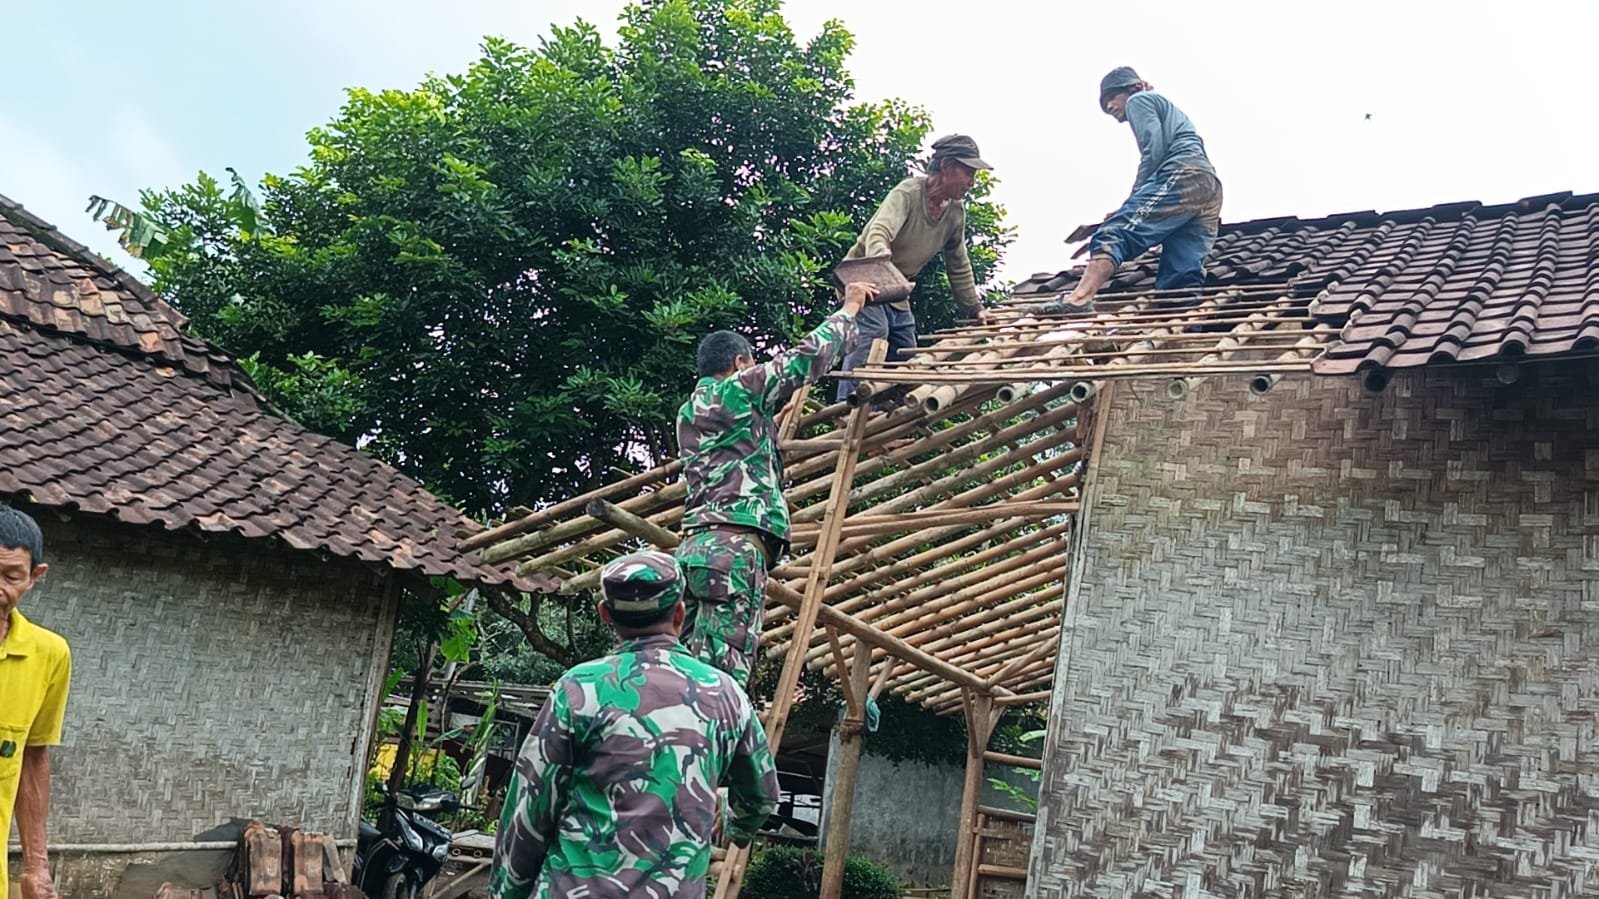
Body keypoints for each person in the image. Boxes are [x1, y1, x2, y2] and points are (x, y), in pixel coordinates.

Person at [490, 550, 779, 899]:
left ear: (605, 614)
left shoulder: (579, 689)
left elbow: (529, 809)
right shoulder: (725, 694)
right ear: (679, 613)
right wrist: (735, 822)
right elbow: (762, 798)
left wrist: (507, 893)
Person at [674, 282, 869, 687]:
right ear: (740, 362)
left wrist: (767, 428)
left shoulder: (689, 411)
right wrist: (850, 308)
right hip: (733, 550)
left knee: (680, 670)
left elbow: (734, 448)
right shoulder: (740, 388)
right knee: (719, 679)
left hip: (693, 548)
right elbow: (803, 359)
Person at [1047, 67, 1223, 314]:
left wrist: (1132, 203)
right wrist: (1133, 208)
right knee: (1182, 269)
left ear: (1134, 88)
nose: (1110, 107)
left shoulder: (1139, 100)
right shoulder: (1165, 107)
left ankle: (1078, 299)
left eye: (1112, 98)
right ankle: (1181, 325)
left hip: (1183, 172)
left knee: (1114, 233)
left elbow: (1153, 149)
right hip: (1208, 186)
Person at [835, 134, 994, 399]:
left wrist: (974, 308)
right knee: (875, 332)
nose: (971, 182)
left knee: (904, 349)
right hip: (863, 277)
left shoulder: (955, 212)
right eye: (968, 172)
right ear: (946, 166)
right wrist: (882, 258)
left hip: (897, 289)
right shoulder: (908, 193)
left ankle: (885, 413)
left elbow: (958, 262)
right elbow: (879, 232)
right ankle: (847, 407)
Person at [0, 505, 70, 899]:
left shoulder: (49, 655)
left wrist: (36, 867)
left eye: (10, 576)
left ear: (34, 577)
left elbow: (30, 756)